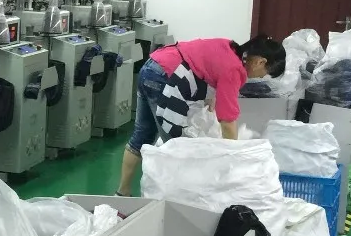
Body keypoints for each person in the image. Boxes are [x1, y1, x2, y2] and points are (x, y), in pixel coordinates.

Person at [117, 35, 287, 196]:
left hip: (152, 65)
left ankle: (122, 193)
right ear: (260, 62)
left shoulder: (229, 47)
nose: (261, 77)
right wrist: (233, 156)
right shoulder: (234, 69)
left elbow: (206, 65)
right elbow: (227, 120)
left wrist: (212, 97)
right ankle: (172, 200)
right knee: (176, 147)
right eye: (265, 73)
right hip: (166, 77)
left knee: (143, 134)